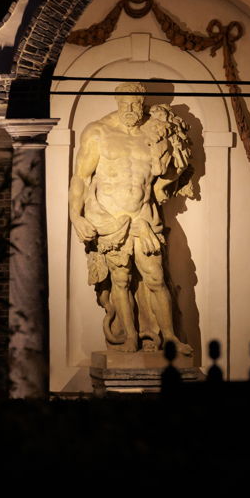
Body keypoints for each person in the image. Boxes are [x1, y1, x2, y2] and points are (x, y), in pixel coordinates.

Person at [69, 82, 194, 354]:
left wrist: (170, 165)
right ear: (117, 102)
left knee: (156, 278)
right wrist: (75, 217)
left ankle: (170, 336)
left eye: (136, 104)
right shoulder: (98, 132)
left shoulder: (153, 131)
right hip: (110, 220)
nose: (131, 109)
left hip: (144, 219)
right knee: (121, 280)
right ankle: (130, 336)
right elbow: (80, 177)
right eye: (126, 103)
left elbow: (167, 175)